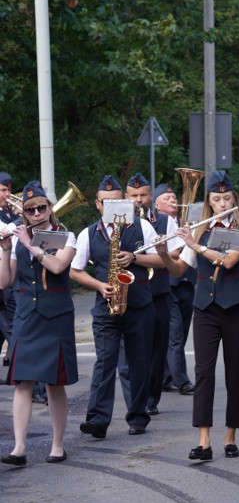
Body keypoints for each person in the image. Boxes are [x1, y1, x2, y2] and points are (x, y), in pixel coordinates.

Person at [158, 170, 239, 460]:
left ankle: (230, 437)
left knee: (235, 371)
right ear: (209, 202)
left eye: (227, 198)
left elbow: (228, 261)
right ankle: (203, 441)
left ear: (234, 199)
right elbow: (178, 270)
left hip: (237, 308)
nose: (223, 204)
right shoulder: (198, 228)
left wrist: (195, 245)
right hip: (205, 309)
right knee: (203, 372)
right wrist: (165, 253)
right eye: (217, 199)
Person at [70, 175, 160, 438]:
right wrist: (99, 286)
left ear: (124, 202)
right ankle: (98, 419)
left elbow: (164, 259)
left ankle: (138, 416)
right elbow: (75, 272)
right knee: (105, 362)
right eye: (105, 203)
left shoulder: (142, 226)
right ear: (98, 205)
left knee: (138, 362)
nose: (111, 206)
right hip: (106, 304)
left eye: (116, 202)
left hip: (139, 304)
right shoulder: (89, 233)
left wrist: (135, 257)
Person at [0, 181, 77, 465]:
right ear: (25, 212)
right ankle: (19, 447)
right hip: (25, 316)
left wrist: (29, 245)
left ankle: (57, 445)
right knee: (22, 382)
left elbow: (58, 267)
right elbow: (4, 282)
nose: (36, 213)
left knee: (55, 384)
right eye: (30, 209)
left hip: (55, 316)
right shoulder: (18, 238)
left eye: (41, 207)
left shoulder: (65, 236)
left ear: (50, 208)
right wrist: (7, 249)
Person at [117, 173, 177, 417]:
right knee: (127, 354)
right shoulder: (117, 223)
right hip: (129, 294)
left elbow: (173, 257)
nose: (139, 200)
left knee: (156, 350)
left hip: (159, 293)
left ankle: (151, 397)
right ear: (126, 197)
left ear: (151, 196)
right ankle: (135, 402)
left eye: (143, 195)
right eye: (134, 196)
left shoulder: (165, 221)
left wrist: (136, 258)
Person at [154, 183, 195, 396]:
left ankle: (165, 376)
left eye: (173, 197)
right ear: (156, 204)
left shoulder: (186, 222)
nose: (173, 200)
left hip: (188, 284)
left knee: (181, 333)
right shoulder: (156, 224)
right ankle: (182, 381)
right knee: (176, 335)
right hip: (169, 284)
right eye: (167, 198)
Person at [0, 171, 18, 368]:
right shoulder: (11, 218)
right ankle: (36, 386)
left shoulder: (10, 213)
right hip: (2, 281)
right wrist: (20, 221)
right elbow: (6, 233)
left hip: (11, 273)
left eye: (9, 189)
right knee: (14, 332)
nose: (8, 194)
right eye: (3, 190)